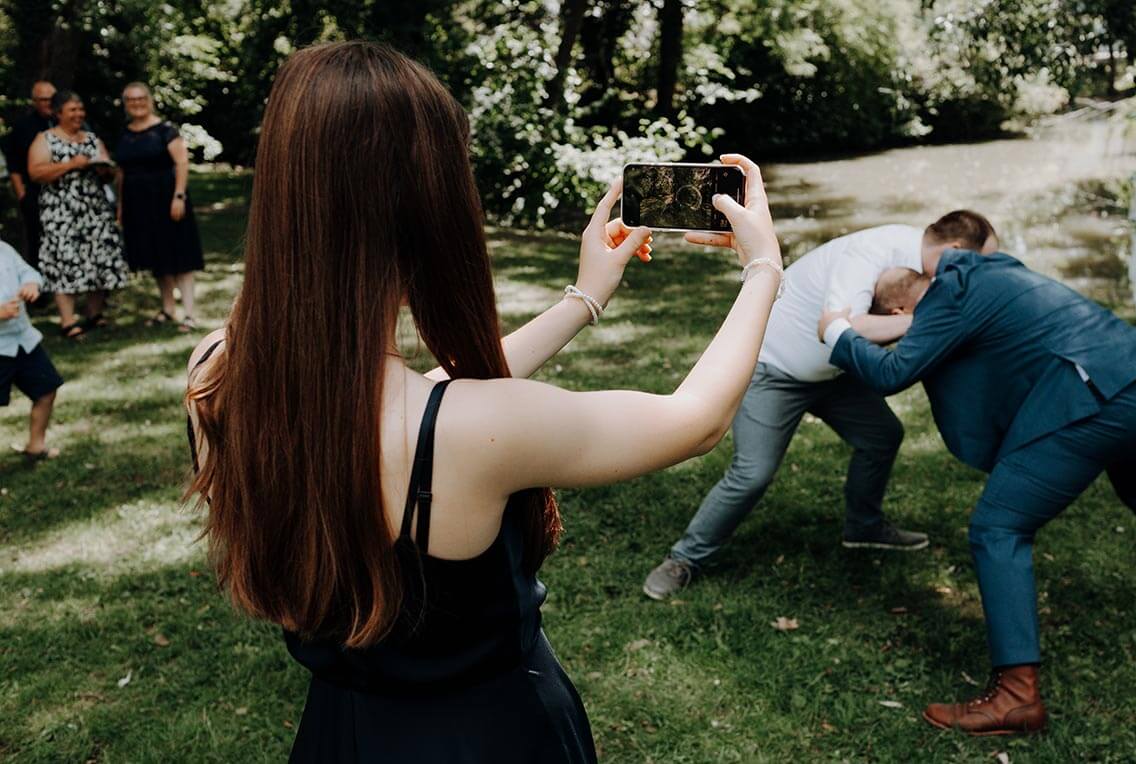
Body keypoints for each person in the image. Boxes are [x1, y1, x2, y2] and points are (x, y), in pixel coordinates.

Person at [184, 42, 782, 762]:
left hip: (342, 735)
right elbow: (696, 420)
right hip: (492, 738)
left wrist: (583, 299)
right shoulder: (469, 432)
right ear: (426, 210)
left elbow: (420, 404)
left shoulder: (217, 372)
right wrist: (763, 270)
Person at [817, 223, 1136, 736]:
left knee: (998, 529)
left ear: (946, 254)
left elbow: (890, 374)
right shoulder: (999, 273)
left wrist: (837, 331)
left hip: (1096, 400)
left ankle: (1016, 697)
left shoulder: (953, 288)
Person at [643, 213, 1000, 601]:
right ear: (955, 251)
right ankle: (683, 559)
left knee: (882, 435)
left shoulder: (924, 265)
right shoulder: (874, 250)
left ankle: (864, 526)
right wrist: (925, 324)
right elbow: (846, 328)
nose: (978, 275)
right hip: (774, 367)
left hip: (833, 373)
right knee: (753, 473)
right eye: (981, 263)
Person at [27, 91, 127, 339]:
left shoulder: (92, 139)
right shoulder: (46, 139)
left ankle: (94, 313)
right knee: (64, 260)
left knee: (97, 258)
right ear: (58, 112)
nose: (78, 114)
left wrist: (105, 171)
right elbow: (36, 172)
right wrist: (72, 164)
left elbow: (109, 172)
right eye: (72, 110)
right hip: (61, 212)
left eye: (80, 110)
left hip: (94, 210)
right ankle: (68, 320)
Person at [114, 82, 204, 331]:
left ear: (149, 100)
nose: (137, 103)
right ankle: (167, 308)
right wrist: (121, 205)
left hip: (167, 199)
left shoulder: (166, 130)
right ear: (125, 104)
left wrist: (179, 197)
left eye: (141, 98)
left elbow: (182, 163)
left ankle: (189, 313)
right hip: (137, 204)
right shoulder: (124, 134)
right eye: (131, 100)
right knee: (155, 256)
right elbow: (121, 172)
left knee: (180, 256)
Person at [1, 238, 62, 461]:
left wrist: (31, 284)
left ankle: (36, 445)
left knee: (46, 388)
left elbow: (28, 272)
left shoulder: (5, 248)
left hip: (24, 340)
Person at [3, 81, 56, 267]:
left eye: (52, 99)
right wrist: (22, 194)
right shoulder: (23, 127)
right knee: (37, 244)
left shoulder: (67, 121)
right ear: (34, 101)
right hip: (35, 194)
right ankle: (39, 291)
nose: (48, 103)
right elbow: (13, 163)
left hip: (65, 194)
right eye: (43, 99)